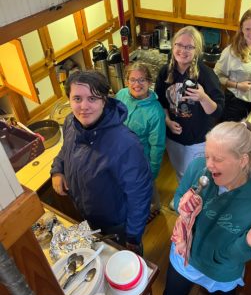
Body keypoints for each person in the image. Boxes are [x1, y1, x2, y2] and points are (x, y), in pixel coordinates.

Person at [163, 121, 251, 295]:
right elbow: (180, 194)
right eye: (207, 156)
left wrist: (247, 243)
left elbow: (236, 255)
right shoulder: (199, 169)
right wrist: (184, 204)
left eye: (217, 159)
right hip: (185, 251)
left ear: (242, 161)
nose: (208, 164)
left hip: (222, 270)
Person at [51, 70, 153, 254]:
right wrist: (58, 169)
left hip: (117, 225)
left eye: (92, 98)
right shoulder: (70, 123)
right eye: (77, 99)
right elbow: (65, 150)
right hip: (86, 215)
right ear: (69, 100)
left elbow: (139, 194)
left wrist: (133, 236)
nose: (84, 106)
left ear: (104, 100)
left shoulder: (126, 144)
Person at [155, 26, 224, 207]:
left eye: (189, 47)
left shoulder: (206, 75)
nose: (182, 50)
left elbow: (217, 111)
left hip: (197, 139)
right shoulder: (165, 72)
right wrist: (168, 121)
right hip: (174, 137)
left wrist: (202, 97)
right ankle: (185, 200)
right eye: (179, 45)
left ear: (197, 51)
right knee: (180, 172)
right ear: (173, 46)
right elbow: (160, 102)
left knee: (197, 175)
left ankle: (196, 204)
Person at [116, 62, 166, 214]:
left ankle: (155, 207)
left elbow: (157, 146)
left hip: (141, 161)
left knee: (147, 186)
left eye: (142, 80)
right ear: (126, 81)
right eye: (132, 79)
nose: (136, 84)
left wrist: (153, 173)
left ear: (149, 83)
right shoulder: (121, 95)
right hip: (120, 154)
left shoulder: (155, 112)